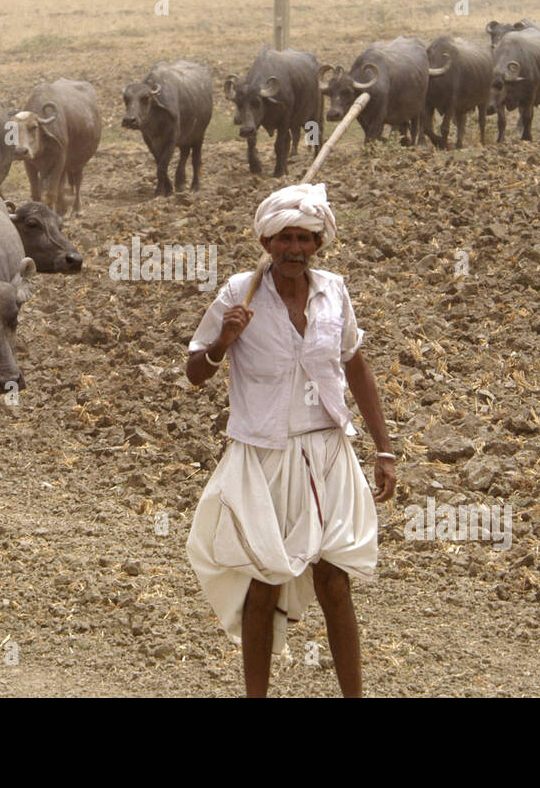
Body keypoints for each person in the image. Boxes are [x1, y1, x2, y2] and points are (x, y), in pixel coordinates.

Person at [185, 183, 396, 697]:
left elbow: (356, 367)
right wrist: (223, 342)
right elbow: (195, 372)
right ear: (266, 242)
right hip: (265, 453)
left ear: (318, 245)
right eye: (284, 238)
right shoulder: (238, 294)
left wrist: (384, 447)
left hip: (327, 449)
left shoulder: (334, 291)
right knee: (264, 580)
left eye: (304, 238)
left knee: (335, 581)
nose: (294, 249)